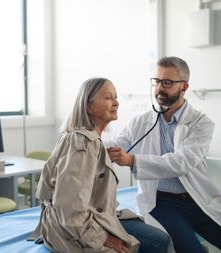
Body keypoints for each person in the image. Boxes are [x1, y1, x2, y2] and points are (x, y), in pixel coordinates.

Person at [107, 57, 221, 253]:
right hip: (162, 203)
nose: (159, 88)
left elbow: (181, 162)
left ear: (184, 87)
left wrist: (132, 160)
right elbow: (116, 145)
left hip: (198, 199)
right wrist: (86, 137)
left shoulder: (201, 123)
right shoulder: (141, 122)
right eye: (156, 81)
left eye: (167, 82)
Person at [34, 78, 170, 253]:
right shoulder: (82, 144)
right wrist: (103, 238)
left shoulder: (91, 140)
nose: (116, 103)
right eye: (108, 98)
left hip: (90, 218)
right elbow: (69, 208)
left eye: (115, 97)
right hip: (73, 228)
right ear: (88, 106)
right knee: (159, 241)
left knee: (155, 236)